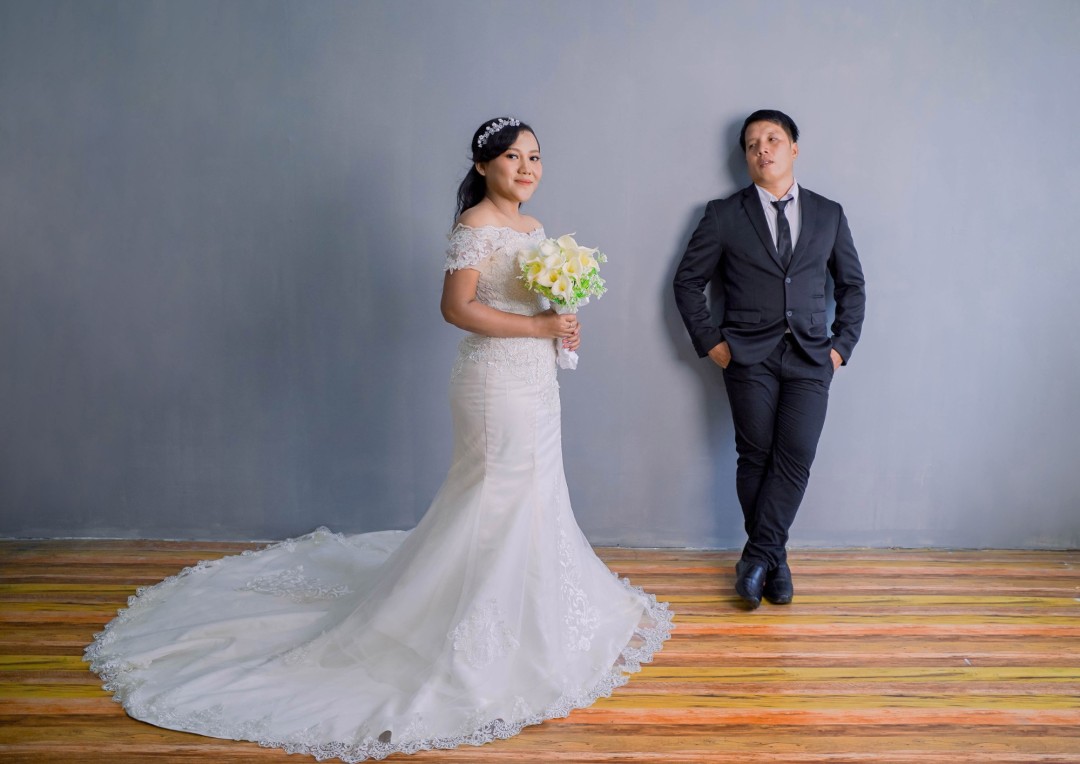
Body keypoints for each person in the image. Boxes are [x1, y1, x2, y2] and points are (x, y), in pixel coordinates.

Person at [85, 116, 672, 762]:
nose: (527, 167)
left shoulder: (534, 229)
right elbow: (456, 308)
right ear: (483, 166)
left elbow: (533, 303)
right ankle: (470, 624)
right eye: (512, 157)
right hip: (494, 381)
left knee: (534, 487)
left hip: (536, 378)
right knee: (495, 492)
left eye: (534, 156)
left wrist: (560, 318)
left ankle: (531, 611)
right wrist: (536, 330)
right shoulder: (475, 226)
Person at [673, 109, 866, 609]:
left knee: (795, 456)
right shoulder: (723, 215)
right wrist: (711, 342)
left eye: (773, 139)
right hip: (746, 355)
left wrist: (841, 347)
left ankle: (758, 558)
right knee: (755, 456)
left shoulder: (829, 213)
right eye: (752, 143)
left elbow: (851, 286)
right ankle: (775, 562)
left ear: (793, 149)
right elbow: (687, 282)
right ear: (746, 157)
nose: (762, 148)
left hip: (812, 355)